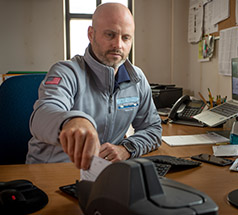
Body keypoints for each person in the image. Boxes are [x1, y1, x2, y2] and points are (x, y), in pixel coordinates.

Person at [26, 3, 162, 170]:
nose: (118, 45)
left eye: (125, 37)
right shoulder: (66, 72)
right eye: (110, 35)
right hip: (53, 172)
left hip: (100, 174)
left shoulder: (137, 79)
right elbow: (41, 116)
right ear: (91, 34)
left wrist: (127, 148)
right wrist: (73, 121)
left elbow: (153, 129)